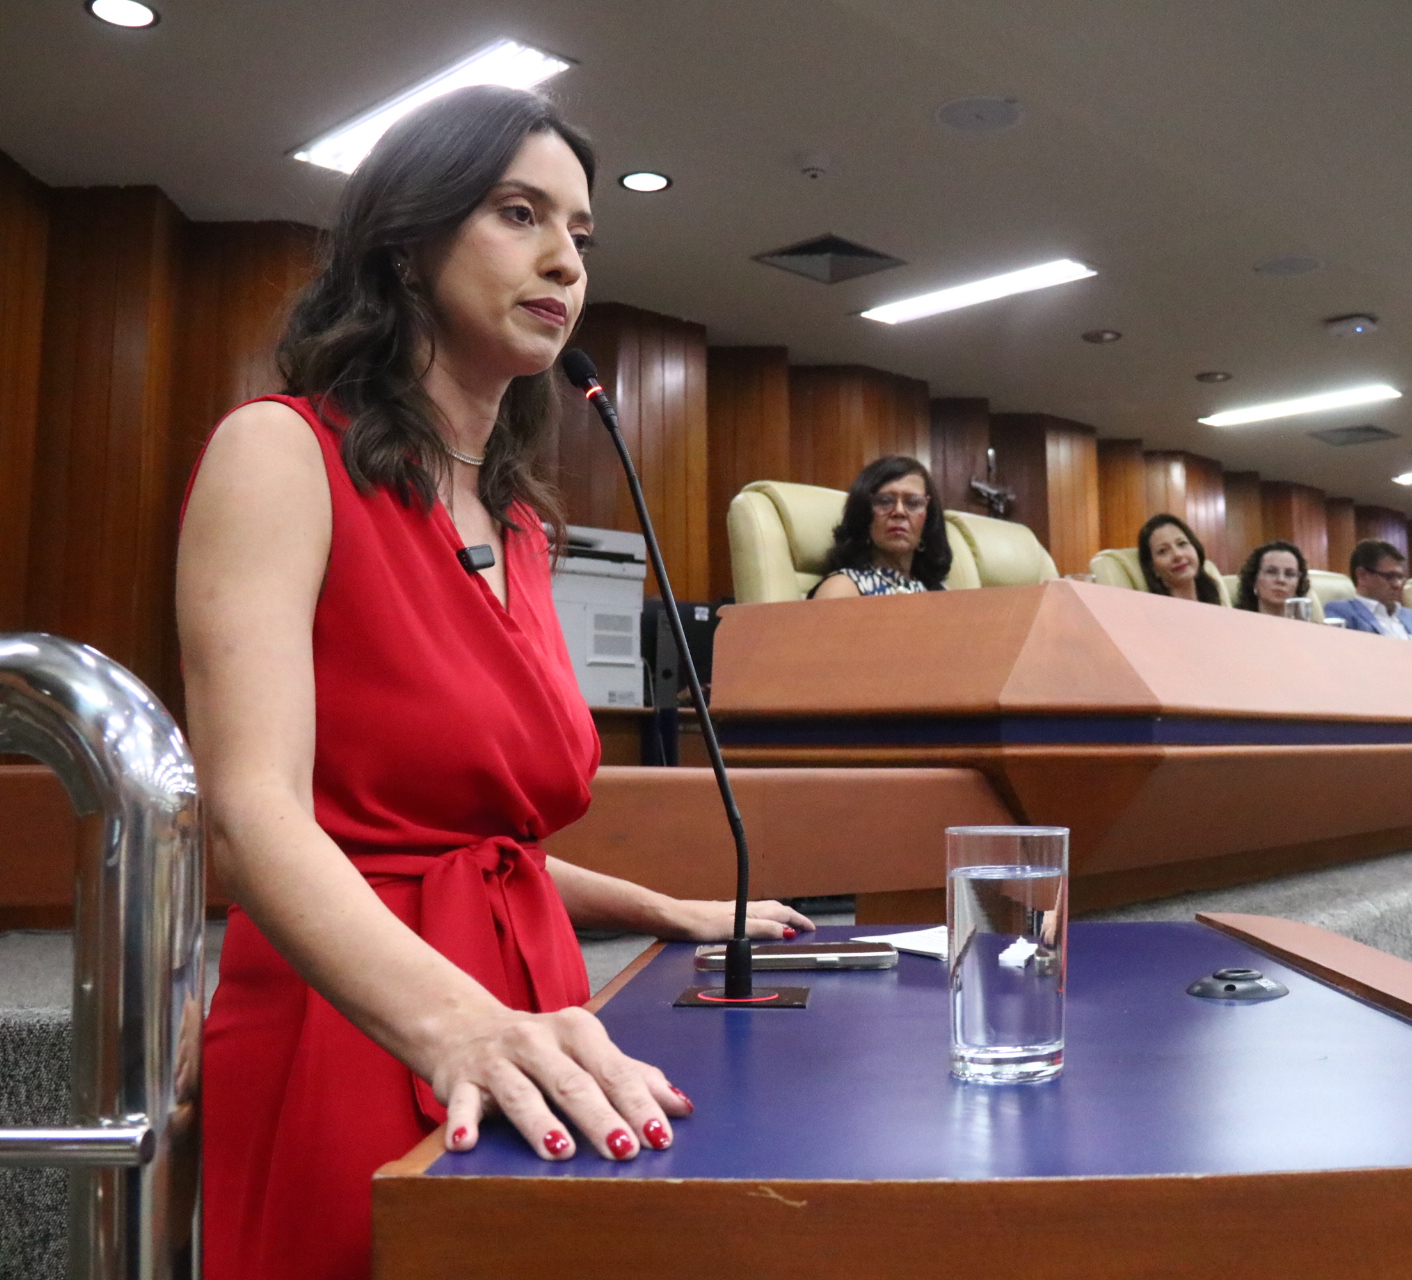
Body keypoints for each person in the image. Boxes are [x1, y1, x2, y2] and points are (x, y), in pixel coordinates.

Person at [177, 87, 811, 1280]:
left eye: (580, 232)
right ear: (406, 242)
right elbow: (253, 814)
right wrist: (459, 1023)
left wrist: (664, 907)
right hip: (357, 1014)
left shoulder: (519, 522)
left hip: (528, 1009)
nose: (565, 260)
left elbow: (471, 843)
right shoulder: (280, 450)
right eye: (520, 214)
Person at [810, 455, 952, 597]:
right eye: (884, 501)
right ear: (863, 514)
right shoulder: (842, 587)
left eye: (913, 503)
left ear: (929, 517)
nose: (899, 511)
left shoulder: (942, 592)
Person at [1324, 540, 1412, 639]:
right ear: (1362, 575)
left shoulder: (1411, 616)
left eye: (1400, 577)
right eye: (1389, 576)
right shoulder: (1341, 612)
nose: (1397, 585)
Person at [1138, 513, 1222, 604]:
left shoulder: (1216, 599)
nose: (1178, 555)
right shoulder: (1149, 610)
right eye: (1163, 551)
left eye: (1182, 544)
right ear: (1152, 568)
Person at [1235, 539, 1310, 616]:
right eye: (1271, 572)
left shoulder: (1309, 623)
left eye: (1290, 574)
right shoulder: (1235, 621)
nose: (1281, 580)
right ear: (1253, 580)